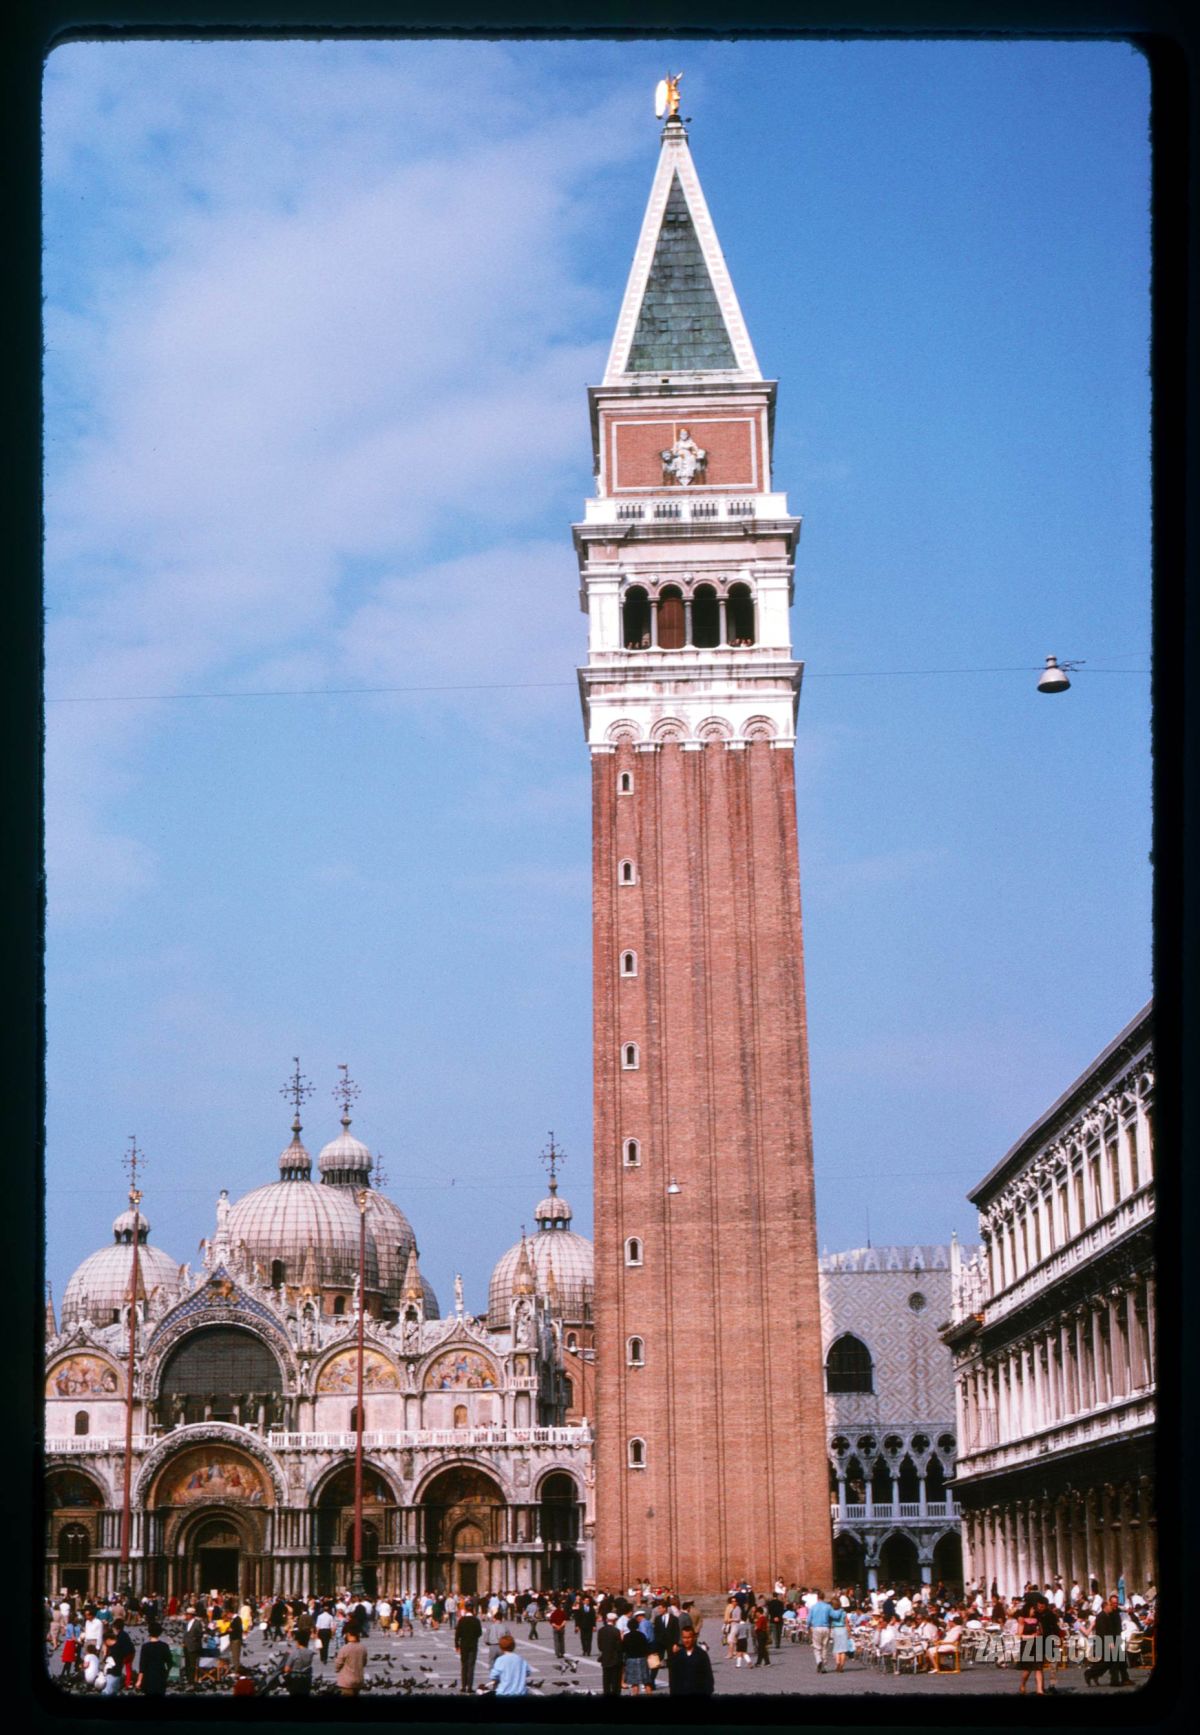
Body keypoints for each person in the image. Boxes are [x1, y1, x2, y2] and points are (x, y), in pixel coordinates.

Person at [1085, 1594, 1132, 1687]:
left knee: (1118, 1661)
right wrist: (1109, 1641)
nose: (1115, 1605)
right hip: (1109, 1640)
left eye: (1116, 1603)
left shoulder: (1115, 1610)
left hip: (1115, 1638)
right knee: (1110, 1662)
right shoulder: (1106, 1614)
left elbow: (1121, 1609)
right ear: (1108, 1604)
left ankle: (1123, 1679)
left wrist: (1127, 1610)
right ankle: (1094, 1674)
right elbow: (1103, 1630)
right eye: (1113, 1603)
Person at [667, 1624, 715, 1696]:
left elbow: (708, 1676)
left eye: (689, 1637)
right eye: (684, 1638)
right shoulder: (678, 1655)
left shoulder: (701, 1655)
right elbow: (673, 1678)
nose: (686, 1640)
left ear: (694, 1637)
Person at [488, 1631, 530, 1696]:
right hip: (520, 1692)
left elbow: (494, 1675)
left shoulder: (500, 1660)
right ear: (514, 1646)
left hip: (504, 1692)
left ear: (501, 1647)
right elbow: (528, 1672)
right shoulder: (520, 1659)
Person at [622, 1611, 652, 1694]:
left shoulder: (626, 1636)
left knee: (634, 1683)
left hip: (631, 1660)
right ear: (637, 1625)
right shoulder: (641, 1635)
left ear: (628, 1626)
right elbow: (646, 1648)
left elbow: (623, 1649)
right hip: (642, 1659)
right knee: (646, 1682)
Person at [456, 1600, 482, 1694]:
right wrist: (473, 1638)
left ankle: (463, 1686)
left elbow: (457, 1634)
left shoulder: (461, 1620)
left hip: (464, 1645)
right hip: (473, 1645)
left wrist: (457, 1645)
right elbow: (479, 1633)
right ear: (473, 1609)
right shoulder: (476, 1620)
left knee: (464, 1665)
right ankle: (470, 1687)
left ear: (465, 1608)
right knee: (471, 1666)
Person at [598, 1612, 624, 1696]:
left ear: (607, 1619)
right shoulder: (616, 1631)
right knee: (615, 1681)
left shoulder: (601, 1630)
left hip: (605, 1658)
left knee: (606, 1680)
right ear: (615, 1621)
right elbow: (619, 1647)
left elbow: (600, 1646)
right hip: (615, 1659)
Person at [808, 1589, 834, 1672]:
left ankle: (819, 1661)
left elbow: (809, 1619)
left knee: (817, 1647)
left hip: (816, 1627)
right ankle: (824, 1665)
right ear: (824, 1597)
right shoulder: (828, 1606)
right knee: (825, 1647)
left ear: (817, 1598)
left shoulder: (813, 1607)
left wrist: (808, 1626)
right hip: (826, 1627)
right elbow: (832, 1616)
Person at [335, 1626, 365, 1696]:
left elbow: (338, 1663)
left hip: (346, 1680)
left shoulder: (344, 1648)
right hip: (359, 1679)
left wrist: (337, 1669)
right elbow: (364, 1662)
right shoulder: (363, 1648)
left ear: (348, 1635)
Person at [283, 1629, 314, 1697]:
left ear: (298, 1641)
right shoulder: (310, 1653)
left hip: (295, 1680)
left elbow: (286, 1669)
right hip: (307, 1679)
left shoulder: (294, 1653)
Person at [182, 1607, 204, 1686]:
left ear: (191, 1615)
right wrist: (184, 1642)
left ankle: (192, 1680)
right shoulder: (187, 1623)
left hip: (194, 1647)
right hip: (186, 1646)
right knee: (187, 1663)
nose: (186, 1616)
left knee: (192, 1664)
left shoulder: (197, 1623)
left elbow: (200, 1634)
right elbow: (185, 1634)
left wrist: (194, 1639)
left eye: (187, 1614)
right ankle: (188, 1678)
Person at [830, 1601, 853, 1672]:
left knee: (837, 1649)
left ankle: (838, 1663)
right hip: (843, 1629)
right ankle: (842, 1666)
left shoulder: (832, 1613)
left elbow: (830, 1622)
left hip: (836, 1629)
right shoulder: (843, 1612)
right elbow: (847, 1623)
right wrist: (849, 1632)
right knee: (843, 1650)